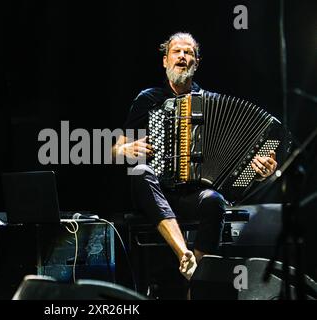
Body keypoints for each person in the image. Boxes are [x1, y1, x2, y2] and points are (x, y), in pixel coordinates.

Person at [112, 32, 278, 281]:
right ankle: (184, 256)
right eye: (176, 51)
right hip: (157, 191)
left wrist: (260, 170)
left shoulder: (211, 103)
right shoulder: (148, 100)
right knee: (140, 171)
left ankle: (197, 276)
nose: (182, 56)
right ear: (165, 61)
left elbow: (238, 166)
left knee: (214, 200)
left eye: (188, 52)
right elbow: (116, 150)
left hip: (193, 195)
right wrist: (123, 150)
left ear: (196, 62)